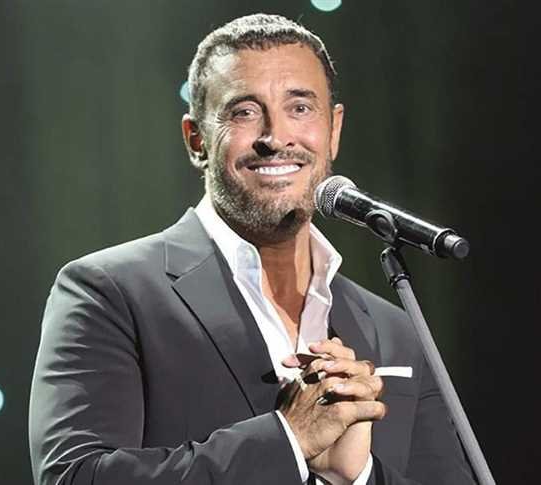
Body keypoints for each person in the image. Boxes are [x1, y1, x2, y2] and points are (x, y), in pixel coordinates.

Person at [29, 13, 476, 485]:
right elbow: (75, 477)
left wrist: (360, 476)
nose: (275, 137)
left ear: (334, 130)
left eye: (300, 108)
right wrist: (289, 440)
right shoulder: (108, 292)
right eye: (243, 111)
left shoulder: (394, 328)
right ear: (196, 139)